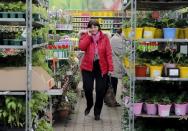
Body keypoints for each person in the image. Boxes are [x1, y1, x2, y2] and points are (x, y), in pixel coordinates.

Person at [78, 19, 113, 120]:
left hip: (101, 67)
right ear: (88, 28)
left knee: (100, 91)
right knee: (88, 88)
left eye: (95, 27)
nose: (93, 29)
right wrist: (88, 37)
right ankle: (89, 104)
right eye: (91, 27)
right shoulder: (85, 36)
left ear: (98, 27)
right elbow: (82, 47)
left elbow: (108, 53)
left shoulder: (105, 38)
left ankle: (97, 112)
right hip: (87, 67)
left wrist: (110, 67)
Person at [106, 28, 125, 107]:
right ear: (121, 32)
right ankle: (111, 101)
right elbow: (122, 52)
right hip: (114, 64)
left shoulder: (115, 38)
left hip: (114, 64)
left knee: (112, 83)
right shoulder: (117, 39)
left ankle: (109, 100)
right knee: (113, 84)